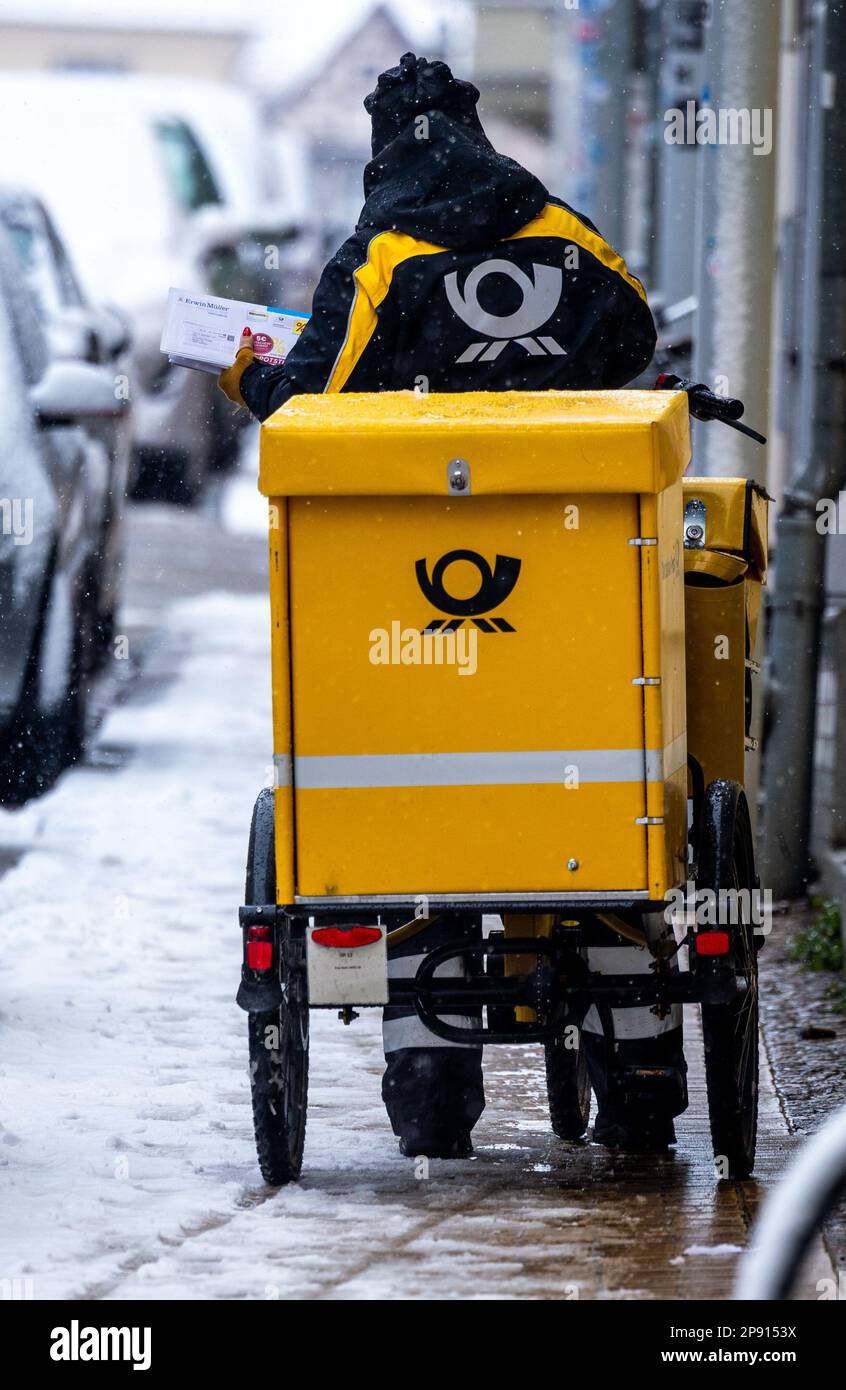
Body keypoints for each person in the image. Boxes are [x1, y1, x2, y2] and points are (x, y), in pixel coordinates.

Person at [221, 53, 685, 1159]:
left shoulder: (382, 248)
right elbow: (635, 342)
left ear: (383, 148)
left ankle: (432, 1090)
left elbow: (313, 402)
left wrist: (249, 378)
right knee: (599, 817)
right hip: (575, 574)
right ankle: (640, 1077)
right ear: (474, 131)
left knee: (424, 828)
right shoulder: (560, 222)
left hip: (406, 585)